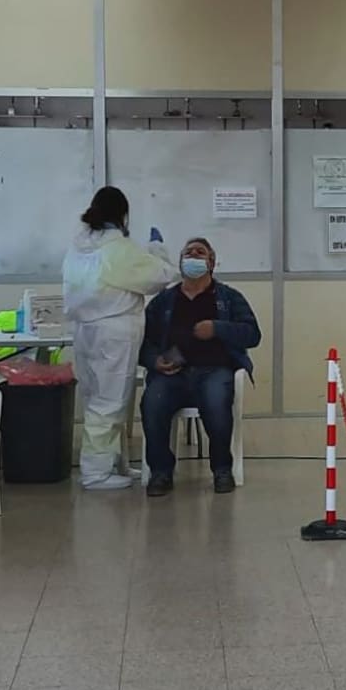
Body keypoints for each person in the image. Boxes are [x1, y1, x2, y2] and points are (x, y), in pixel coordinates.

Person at [63, 186, 177, 490]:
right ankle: (96, 473)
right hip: (113, 334)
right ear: (122, 214)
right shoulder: (119, 249)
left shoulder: (78, 247)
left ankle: (113, 463)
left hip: (85, 331)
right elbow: (161, 276)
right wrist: (157, 250)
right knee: (109, 403)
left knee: (95, 399)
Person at [140, 238, 261, 496]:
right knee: (152, 402)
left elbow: (252, 334)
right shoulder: (164, 301)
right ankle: (160, 472)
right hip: (172, 374)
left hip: (214, 370)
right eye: (188, 253)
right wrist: (154, 361)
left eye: (200, 252)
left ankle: (222, 469)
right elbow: (143, 341)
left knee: (217, 402)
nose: (193, 256)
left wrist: (217, 328)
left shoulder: (228, 298)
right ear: (180, 262)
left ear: (211, 263)